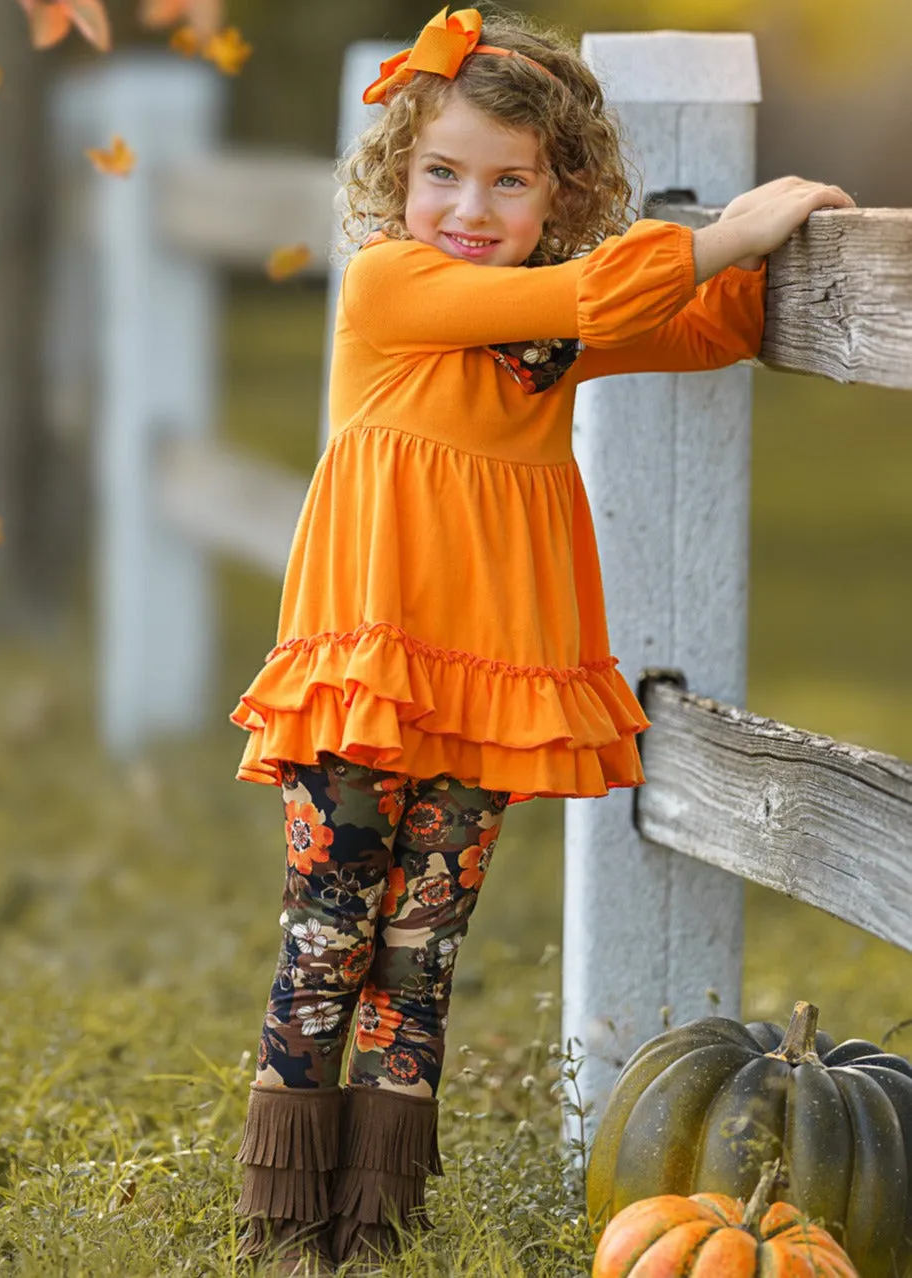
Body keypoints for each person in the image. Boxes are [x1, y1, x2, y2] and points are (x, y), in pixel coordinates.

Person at [228, 5, 855, 1273]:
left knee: (423, 953)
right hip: (368, 669)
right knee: (331, 931)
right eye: (442, 173)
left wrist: (789, 247)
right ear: (397, 177)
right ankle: (284, 1225)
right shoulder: (395, 285)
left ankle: (378, 1226)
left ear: (559, 191)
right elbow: (599, 290)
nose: (471, 204)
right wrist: (713, 229)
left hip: (485, 686)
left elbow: (694, 327)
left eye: (510, 181)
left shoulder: (541, 333)